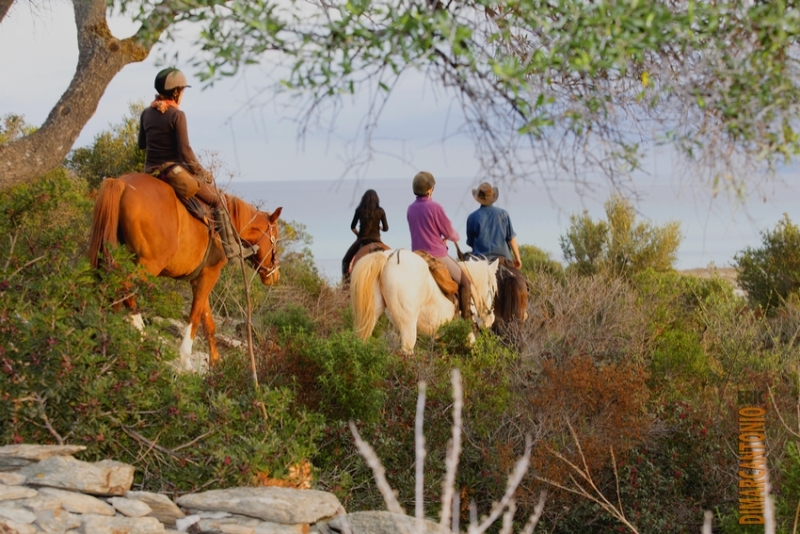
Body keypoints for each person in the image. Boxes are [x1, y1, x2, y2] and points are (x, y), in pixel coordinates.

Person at [138, 67, 255, 260]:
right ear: (176, 92)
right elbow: (185, 151)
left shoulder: (146, 113)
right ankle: (233, 252)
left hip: (149, 172)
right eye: (182, 90)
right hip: (172, 172)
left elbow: (142, 145)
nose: (183, 94)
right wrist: (201, 171)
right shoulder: (177, 115)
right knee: (217, 200)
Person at [406, 171, 472, 321]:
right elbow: (449, 232)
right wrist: (454, 236)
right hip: (437, 255)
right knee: (465, 282)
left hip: (417, 255)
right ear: (430, 189)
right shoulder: (435, 207)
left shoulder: (410, 209)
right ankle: (466, 322)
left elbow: (421, 231)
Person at [466, 182, 522, 269]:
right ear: (492, 196)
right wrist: (518, 258)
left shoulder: (472, 217)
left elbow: (471, 243)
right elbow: (511, 238)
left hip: (480, 262)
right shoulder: (504, 214)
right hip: (503, 260)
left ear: (478, 198)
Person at [341, 189, 389, 280]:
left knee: (345, 261)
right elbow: (386, 228)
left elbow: (353, 227)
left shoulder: (359, 210)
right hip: (377, 238)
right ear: (377, 199)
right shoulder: (380, 211)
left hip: (362, 239)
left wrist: (358, 235)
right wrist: (380, 228)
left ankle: (346, 287)